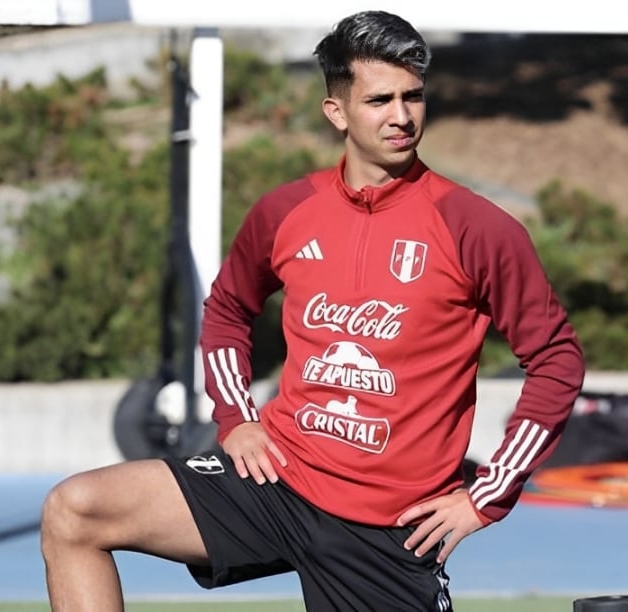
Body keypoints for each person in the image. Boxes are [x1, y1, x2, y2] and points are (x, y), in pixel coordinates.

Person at [40, 10, 585, 611]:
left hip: (388, 527)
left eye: (414, 97)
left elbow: (556, 360)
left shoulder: (476, 227)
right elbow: (225, 309)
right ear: (337, 111)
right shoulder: (286, 211)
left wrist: (488, 494)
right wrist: (237, 419)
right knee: (75, 512)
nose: (401, 117)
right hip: (278, 481)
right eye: (379, 100)